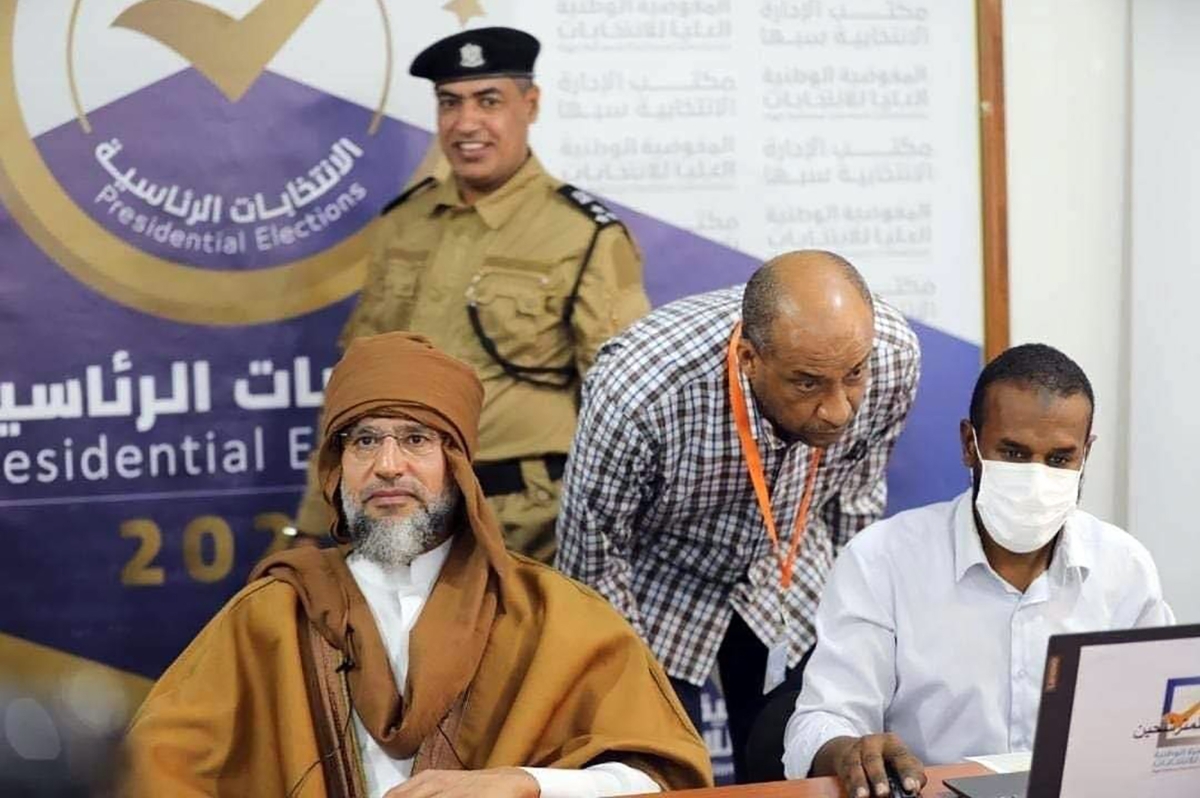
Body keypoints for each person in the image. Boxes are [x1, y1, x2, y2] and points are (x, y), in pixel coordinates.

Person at [121, 332, 712, 797]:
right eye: (364, 441)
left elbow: (659, 777)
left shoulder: (553, 616)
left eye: (415, 440)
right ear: (336, 468)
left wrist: (524, 783)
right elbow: (155, 767)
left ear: (457, 464)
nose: (387, 465)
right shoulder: (271, 616)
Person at [556, 250, 922, 783]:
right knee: (656, 767)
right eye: (807, 383)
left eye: (853, 376)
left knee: (794, 761)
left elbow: (856, 497)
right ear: (750, 359)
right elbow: (593, 558)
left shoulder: (892, 355)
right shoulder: (639, 392)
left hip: (790, 572)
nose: (840, 409)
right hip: (656, 581)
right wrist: (627, 687)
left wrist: (850, 624)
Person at [292, 27, 650, 563]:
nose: (466, 124)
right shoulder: (403, 225)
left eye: (489, 101)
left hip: (527, 523)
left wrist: (612, 540)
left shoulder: (586, 235)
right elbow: (359, 386)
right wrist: (316, 524)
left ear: (530, 105)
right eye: (449, 103)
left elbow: (626, 411)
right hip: (402, 510)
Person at [781, 343, 1174, 797]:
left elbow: (1157, 725)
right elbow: (821, 719)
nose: (1037, 477)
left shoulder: (1124, 567)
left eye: (1060, 459)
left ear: (1086, 452)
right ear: (970, 444)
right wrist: (849, 749)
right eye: (1013, 453)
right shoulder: (882, 560)